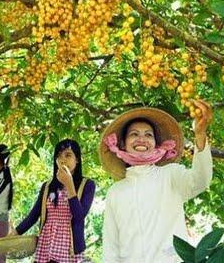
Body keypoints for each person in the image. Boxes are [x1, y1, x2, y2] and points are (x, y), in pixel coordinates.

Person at [100, 100, 213, 263]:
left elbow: (200, 181)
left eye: (148, 135)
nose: (142, 139)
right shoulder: (115, 192)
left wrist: (200, 135)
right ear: (123, 145)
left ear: (155, 144)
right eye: (134, 134)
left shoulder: (171, 175)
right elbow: (111, 246)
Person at [12, 139, 96, 263]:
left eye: (68, 155)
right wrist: (14, 233)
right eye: (59, 156)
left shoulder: (87, 185)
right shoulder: (47, 186)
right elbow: (33, 215)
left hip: (69, 248)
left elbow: (79, 216)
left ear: (77, 159)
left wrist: (69, 185)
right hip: (46, 244)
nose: (62, 160)